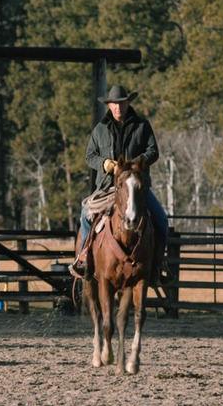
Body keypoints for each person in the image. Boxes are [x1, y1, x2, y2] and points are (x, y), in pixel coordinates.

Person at [70, 85, 172, 286]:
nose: (118, 107)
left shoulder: (142, 126)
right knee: (85, 215)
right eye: (115, 104)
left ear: (128, 103)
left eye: (122, 103)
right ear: (109, 105)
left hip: (135, 188)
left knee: (161, 220)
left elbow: (153, 152)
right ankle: (84, 259)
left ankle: (159, 265)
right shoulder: (100, 129)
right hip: (108, 187)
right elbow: (89, 155)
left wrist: (132, 166)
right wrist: (105, 163)